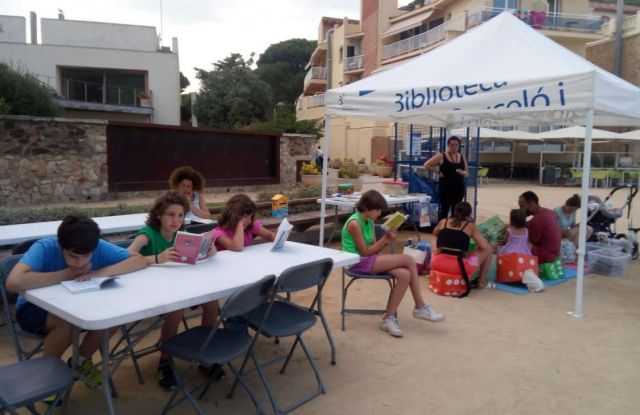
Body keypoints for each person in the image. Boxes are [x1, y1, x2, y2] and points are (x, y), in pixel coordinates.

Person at [6, 215, 147, 388]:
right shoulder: (45, 247)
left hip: (78, 304)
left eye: (86, 256)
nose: (79, 263)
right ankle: (49, 376)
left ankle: (79, 362)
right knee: (67, 323)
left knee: (114, 316)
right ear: (60, 245)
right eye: (72, 256)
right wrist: (67, 274)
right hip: (33, 308)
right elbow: (13, 282)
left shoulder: (96, 246)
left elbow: (138, 260)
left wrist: (98, 273)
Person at [127, 191, 220, 390]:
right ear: (159, 214)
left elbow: (191, 258)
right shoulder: (148, 234)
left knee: (212, 304)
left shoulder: (182, 236)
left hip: (180, 286)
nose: (176, 220)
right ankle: (165, 361)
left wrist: (209, 251)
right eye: (171, 214)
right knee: (176, 311)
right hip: (150, 291)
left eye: (180, 215)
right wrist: (157, 259)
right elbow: (127, 255)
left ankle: (204, 352)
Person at [341, 189, 444, 338]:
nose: (380, 213)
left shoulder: (368, 221)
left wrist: (387, 240)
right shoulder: (354, 223)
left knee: (404, 274)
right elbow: (365, 252)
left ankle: (388, 319)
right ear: (368, 207)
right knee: (408, 259)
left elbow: (374, 248)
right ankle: (420, 306)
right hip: (357, 262)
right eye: (378, 209)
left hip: (368, 260)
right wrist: (386, 240)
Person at [431, 202, 493, 289]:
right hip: (460, 267)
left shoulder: (443, 222)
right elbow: (484, 247)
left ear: (454, 212)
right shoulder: (471, 226)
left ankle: (431, 270)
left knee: (434, 240)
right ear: (469, 214)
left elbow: (435, 233)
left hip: (437, 263)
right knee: (489, 248)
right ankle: (482, 281)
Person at [423, 136, 469, 221]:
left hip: (459, 187)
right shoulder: (442, 156)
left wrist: (464, 173)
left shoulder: (462, 156)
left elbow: (467, 173)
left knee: (457, 210)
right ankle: (441, 229)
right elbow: (426, 164)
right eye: (452, 145)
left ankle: (454, 229)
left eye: (456, 145)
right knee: (444, 209)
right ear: (448, 145)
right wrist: (437, 171)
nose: (454, 147)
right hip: (446, 187)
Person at [518, 191, 561, 264]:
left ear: (531, 204)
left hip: (545, 256)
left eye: (522, 206)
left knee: (516, 243)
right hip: (555, 253)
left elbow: (532, 241)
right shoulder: (548, 212)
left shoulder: (537, 220)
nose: (521, 210)